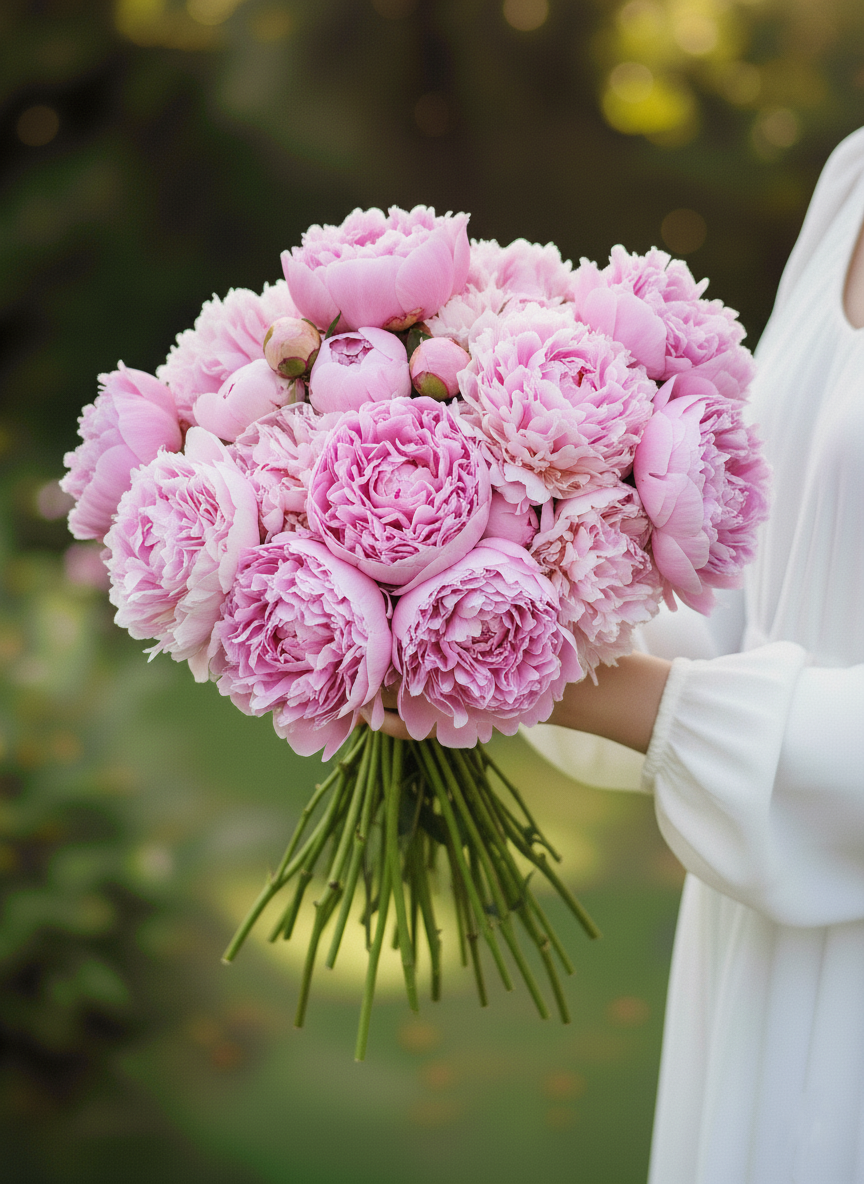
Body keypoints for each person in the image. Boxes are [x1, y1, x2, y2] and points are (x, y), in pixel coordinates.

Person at [381, 125, 864, 1182]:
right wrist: (482, 595)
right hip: (752, 949)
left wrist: (589, 689)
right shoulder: (853, 176)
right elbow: (745, 618)